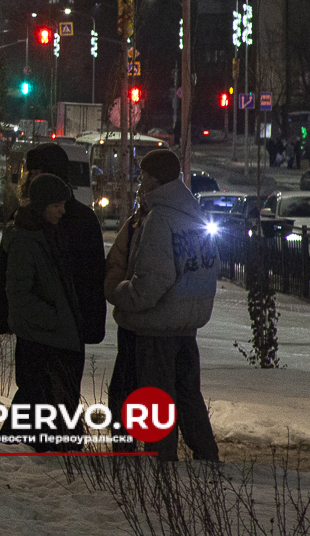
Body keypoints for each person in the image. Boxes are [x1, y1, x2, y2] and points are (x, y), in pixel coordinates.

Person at [106, 149, 220, 462]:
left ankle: (159, 465)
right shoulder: (192, 215)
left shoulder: (159, 219)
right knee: (186, 396)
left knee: (149, 401)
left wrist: (119, 293)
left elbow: (150, 283)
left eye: (142, 177)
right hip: (185, 326)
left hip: (154, 329)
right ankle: (207, 457)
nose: (139, 184)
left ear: (154, 180)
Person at [0, 172, 85, 452]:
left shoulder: (48, 235)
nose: (62, 211)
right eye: (56, 205)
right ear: (41, 205)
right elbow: (19, 294)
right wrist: (55, 319)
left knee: (40, 402)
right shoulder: (27, 240)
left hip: (51, 336)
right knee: (37, 400)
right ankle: (17, 453)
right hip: (40, 338)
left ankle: (26, 451)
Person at [23, 143, 107, 346]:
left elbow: (93, 276)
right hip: (34, 329)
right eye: (32, 174)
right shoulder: (25, 218)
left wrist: (90, 323)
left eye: (38, 173)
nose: (32, 180)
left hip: (69, 328)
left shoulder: (81, 219)